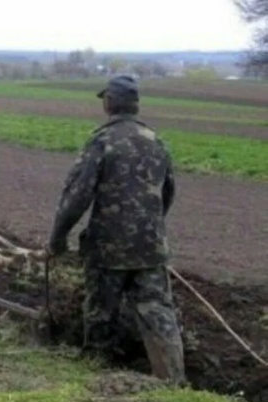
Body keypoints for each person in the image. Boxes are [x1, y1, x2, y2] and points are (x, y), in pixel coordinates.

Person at [45, 74, 186, 385]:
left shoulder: (102, 141)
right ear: (135, 105)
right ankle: (174, 378)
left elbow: (77, 197)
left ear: (110, 103)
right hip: (151, 248)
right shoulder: (155, 141)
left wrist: (57, 239)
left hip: (108, 249)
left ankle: (99, 374)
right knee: (158, 311)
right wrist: (150, 227)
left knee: (100, 312)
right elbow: (169, 192)